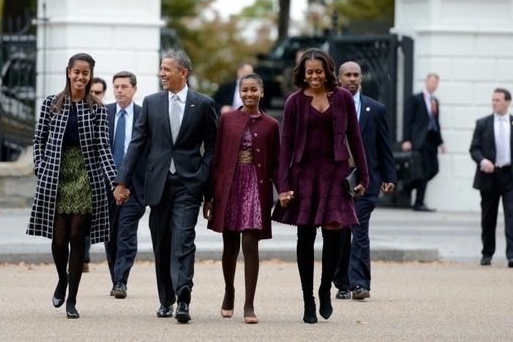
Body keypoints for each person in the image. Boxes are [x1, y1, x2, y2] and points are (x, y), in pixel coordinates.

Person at [113, 50, 217, 323]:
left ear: (183, 73)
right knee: (162, 244)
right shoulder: (151, 102)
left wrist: (203, 178)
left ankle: (183, 298)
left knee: (183, 240)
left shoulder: (203, 104)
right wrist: (122, 181)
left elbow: (213, 148)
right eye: (161, 69)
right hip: (157, 184)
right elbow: (137, 143)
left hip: (188, 184)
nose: (161, 73)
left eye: (167, 69)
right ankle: (166, 300)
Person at [273, 48, 369, 324]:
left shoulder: (343, 99)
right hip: (303, 175)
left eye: (318, 71)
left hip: (335, 175)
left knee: (335, 236)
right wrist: (283, 185)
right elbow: (286, 145)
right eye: (309, 72)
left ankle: (326, 287)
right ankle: (308, 299)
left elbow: (355, 138)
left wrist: (364, 176)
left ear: (328, 71)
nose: (314, 76)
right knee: (305, 238)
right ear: (302, 74)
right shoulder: (294, 102)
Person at [27, 53, 116, 319]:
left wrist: (115, 181)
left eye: (85, 73)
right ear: (68, 72)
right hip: (56, 174)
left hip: (85, 176)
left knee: (78, 236)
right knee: (58, 240)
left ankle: (72, 300)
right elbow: (39, 139)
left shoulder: (97, 108)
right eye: (76, 71)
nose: (80, 77)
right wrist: (40, 167)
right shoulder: (51, 104)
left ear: (90, 76)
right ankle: (62, 279)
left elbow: (104, 148)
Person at [203, 73, 279, 324]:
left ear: (261, 92)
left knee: (250, 243)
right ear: (239, 92)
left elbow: (277, 163)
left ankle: (249, 303)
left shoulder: (271, 124)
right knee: (230, 245)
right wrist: (210, 196)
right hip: (230, 186)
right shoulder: (227, 119)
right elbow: (216, 159)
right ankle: (229, 291)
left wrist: (284, 189)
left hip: (255, 187)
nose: (249, 94)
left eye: (253, 90)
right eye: (244, 90)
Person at [332, 61, 397, 300]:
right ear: (339, 78)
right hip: (337, 182)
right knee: (339, 233)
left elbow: (384, 145)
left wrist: (390, 176)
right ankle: (342, 283)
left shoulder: (376, 109)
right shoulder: (329, 106)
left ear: (361, 78)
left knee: (359, 231)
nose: (352, 79)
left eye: (356, 75)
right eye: (347, 75)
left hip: (366, 183)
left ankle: (360, 284)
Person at [469, 88, 513, 268]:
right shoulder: (483, 123)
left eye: (498, 100)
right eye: (493, 100)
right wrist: (483, 161)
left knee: (511, 215)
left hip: (511, 176)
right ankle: (487, 253)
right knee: (488, 218)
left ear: (508, 102)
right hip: (489, 176)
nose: (494, 103)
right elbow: (474, 149)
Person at [104, 71, 146, 298]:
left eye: (124, 86)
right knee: (110, 235)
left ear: (134, 89)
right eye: (116, 86)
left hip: (134, 187)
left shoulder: (143, 115)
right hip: (106, 186)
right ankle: (115, 278)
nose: (119, 90)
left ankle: (121, 281)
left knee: (126, 233)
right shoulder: (104, 113)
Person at [402, 73, 445, 212]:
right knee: (424, 171)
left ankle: (406, 188)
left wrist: (441, 142)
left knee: (434, 169)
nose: (434, 85)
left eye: (436, 83)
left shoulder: (435, 101)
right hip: (419, 141)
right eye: (432, 82)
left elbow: (436, 123)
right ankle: (419, 202)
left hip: (432, 140)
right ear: (426, 82)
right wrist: (406, 139)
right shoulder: (415, 99)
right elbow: (408, 121)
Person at [82, 76, 108, 273]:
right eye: (92, 92)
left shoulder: (106, 113)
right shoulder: (80, 111)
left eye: (98, 92)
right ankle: (83, 257)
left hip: (105, 176)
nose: (94, 96)